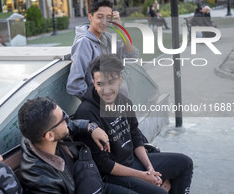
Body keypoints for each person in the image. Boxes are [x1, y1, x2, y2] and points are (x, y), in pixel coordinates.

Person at [74, 54, 193, 194]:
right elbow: (103, 164)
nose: (106, 90)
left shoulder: (124, 101)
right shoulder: (87, 112)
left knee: (185, 163)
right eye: (100, 84)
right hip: (112, 175)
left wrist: (150, 168)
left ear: (120, 80)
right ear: (93, 83)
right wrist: (143, 176)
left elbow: (136, 136)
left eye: (111, 82)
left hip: (133, 161)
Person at [18, 97, 138, 194]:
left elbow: (71, 124)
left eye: (64, 113)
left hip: (92, 181)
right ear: (50, 136)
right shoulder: (41, 181)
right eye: (63, 118)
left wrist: (91, 127)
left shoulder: (40, 135)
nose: (68, 118)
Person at [66, 0, 139, 99]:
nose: (104, 22)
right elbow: (74, 85)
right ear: (90, 16)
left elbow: (132, 55)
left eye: (108, 18)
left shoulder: (106, 38)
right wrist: (99, 104)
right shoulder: (84, 43)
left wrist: (120, 27)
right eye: (100, 17)